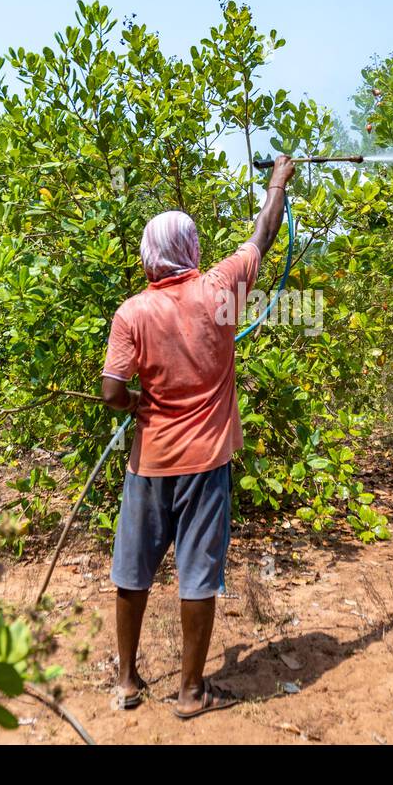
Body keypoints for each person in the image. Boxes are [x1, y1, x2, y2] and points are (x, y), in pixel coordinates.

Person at [100, 155, 295, 718]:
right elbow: (264, 232)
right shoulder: (222, 288)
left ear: (148, 255)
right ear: (191, 249)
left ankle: (129, 680)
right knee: (198, 574)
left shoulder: (132, 312)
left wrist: (138, 403)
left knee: (132, 571)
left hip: (150, 463)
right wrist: (278, 179)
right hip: (206, 462)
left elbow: (113, 391)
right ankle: (190, 691)